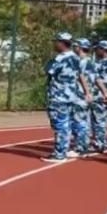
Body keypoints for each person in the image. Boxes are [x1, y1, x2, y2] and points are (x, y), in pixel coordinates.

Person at [43, 32, 89, 163]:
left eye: (56, 41)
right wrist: (86, 92)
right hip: (71, 96)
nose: (54, 44)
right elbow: (80, 76)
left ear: (61, 43)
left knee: (60, 124)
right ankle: (63, 150)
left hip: (59, 96)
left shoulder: (60, 59)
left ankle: (60, 154)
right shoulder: (76, 58)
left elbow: (48, 72)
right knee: (66, 124)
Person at [91, 41, 107, 152]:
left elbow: (96, 79)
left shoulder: (100, 64)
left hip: (101, 95)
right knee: (103, 120)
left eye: (98, 49)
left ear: (103, 49)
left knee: (99, 120)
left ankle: (99, 143)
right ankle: (102, 142)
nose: (96, 51)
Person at [73, 39, 95, 157]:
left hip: (80, 95)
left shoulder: (81, 61)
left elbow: (80, 76)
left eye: (75, 46)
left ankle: (81, 148)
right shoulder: (91, 61)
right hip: (87, 95)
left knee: (79, 121)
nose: (74, 47)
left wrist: (86, 92)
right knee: (85, 121)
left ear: (80, 47)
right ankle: (84, 146)